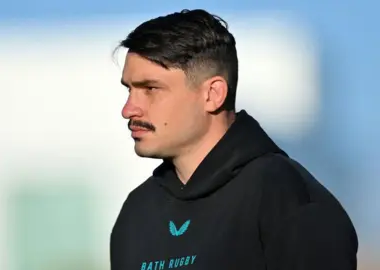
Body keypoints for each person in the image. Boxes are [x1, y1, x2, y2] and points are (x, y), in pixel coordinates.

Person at [110, 9, 358, 270]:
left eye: (151, 88)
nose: (129, 109)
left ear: (213, 94)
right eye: (130, 89)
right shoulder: (137, 213)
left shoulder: (284, 196)